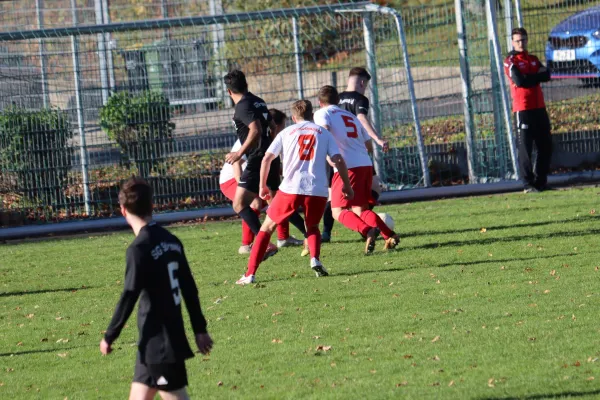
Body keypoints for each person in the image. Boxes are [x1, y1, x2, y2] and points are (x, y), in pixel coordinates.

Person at [100, 177, 213, 400]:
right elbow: (189, 288)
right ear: (152, 206)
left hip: (161, 345)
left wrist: (110, 335)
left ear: (122, 210)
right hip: (151, 343)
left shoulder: (138, 249)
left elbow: (129, 295)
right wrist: (199, 329)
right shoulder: (171, 240)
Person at [236, 100, 354, 285]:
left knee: (266, 228)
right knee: (313, 227)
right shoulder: (323, 133)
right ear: (312, 115)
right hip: (317, 188)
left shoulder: (286, 132)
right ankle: (315, 258)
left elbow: (267, 158)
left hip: (290, 188)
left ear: (293, 117)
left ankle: (250, 274)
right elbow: (338, 159)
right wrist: (346, 185)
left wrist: (262, 186)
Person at [314, 86, 400, 254]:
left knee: (337, 211)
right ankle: (389, 234)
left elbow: (324, 132)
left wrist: (327, 156)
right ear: (338, 101)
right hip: (365, 164)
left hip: (347, 167)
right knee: (361, 209)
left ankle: (367, 231)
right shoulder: (351, 116)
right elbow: (368, 145)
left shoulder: (321, 113)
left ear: (320, 102)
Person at [322, 67, 389, 242]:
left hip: (335, 156)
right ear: (361, 82)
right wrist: (378, 139)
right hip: (357, 157)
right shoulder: (360, 99)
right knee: (372, 191)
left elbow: (325, 129)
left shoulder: (335, 102)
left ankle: (327, 233)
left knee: (333, 197)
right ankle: (369, 228)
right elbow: (361, 119)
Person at [223, 70, 278, 258]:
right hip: (269, 156)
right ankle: (306, 234)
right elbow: (272, 126)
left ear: (229, 92)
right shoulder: (258, 101)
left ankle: (267, 244)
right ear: (246, 84)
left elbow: (255, 130)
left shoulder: (242, 106)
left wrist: (239, 153)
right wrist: (273, 147)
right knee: (276, 201)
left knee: (239, 204)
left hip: (256, 159)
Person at [219, 138, 303, 254]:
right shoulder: (249, 137)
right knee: (254, 202)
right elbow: (236, 163)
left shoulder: (273, 136)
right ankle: (247, 245)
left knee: (278, 200)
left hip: (254, 179)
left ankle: (284, 238)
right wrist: (243, 189)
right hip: (231, 179)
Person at [503, 27, 552, 193]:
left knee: (545, 146)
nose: (520, 43)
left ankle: (541, 181)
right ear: (512, 42)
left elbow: (546, 74)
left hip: (540, 108)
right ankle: (528, 184)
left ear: (527, 40)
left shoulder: (533, 59)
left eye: (523, 40)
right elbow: (519, 80)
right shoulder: (510, 61)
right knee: (525, 148)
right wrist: (533, 78)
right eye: (517, 40)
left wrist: (529, 78)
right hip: (523, 109)